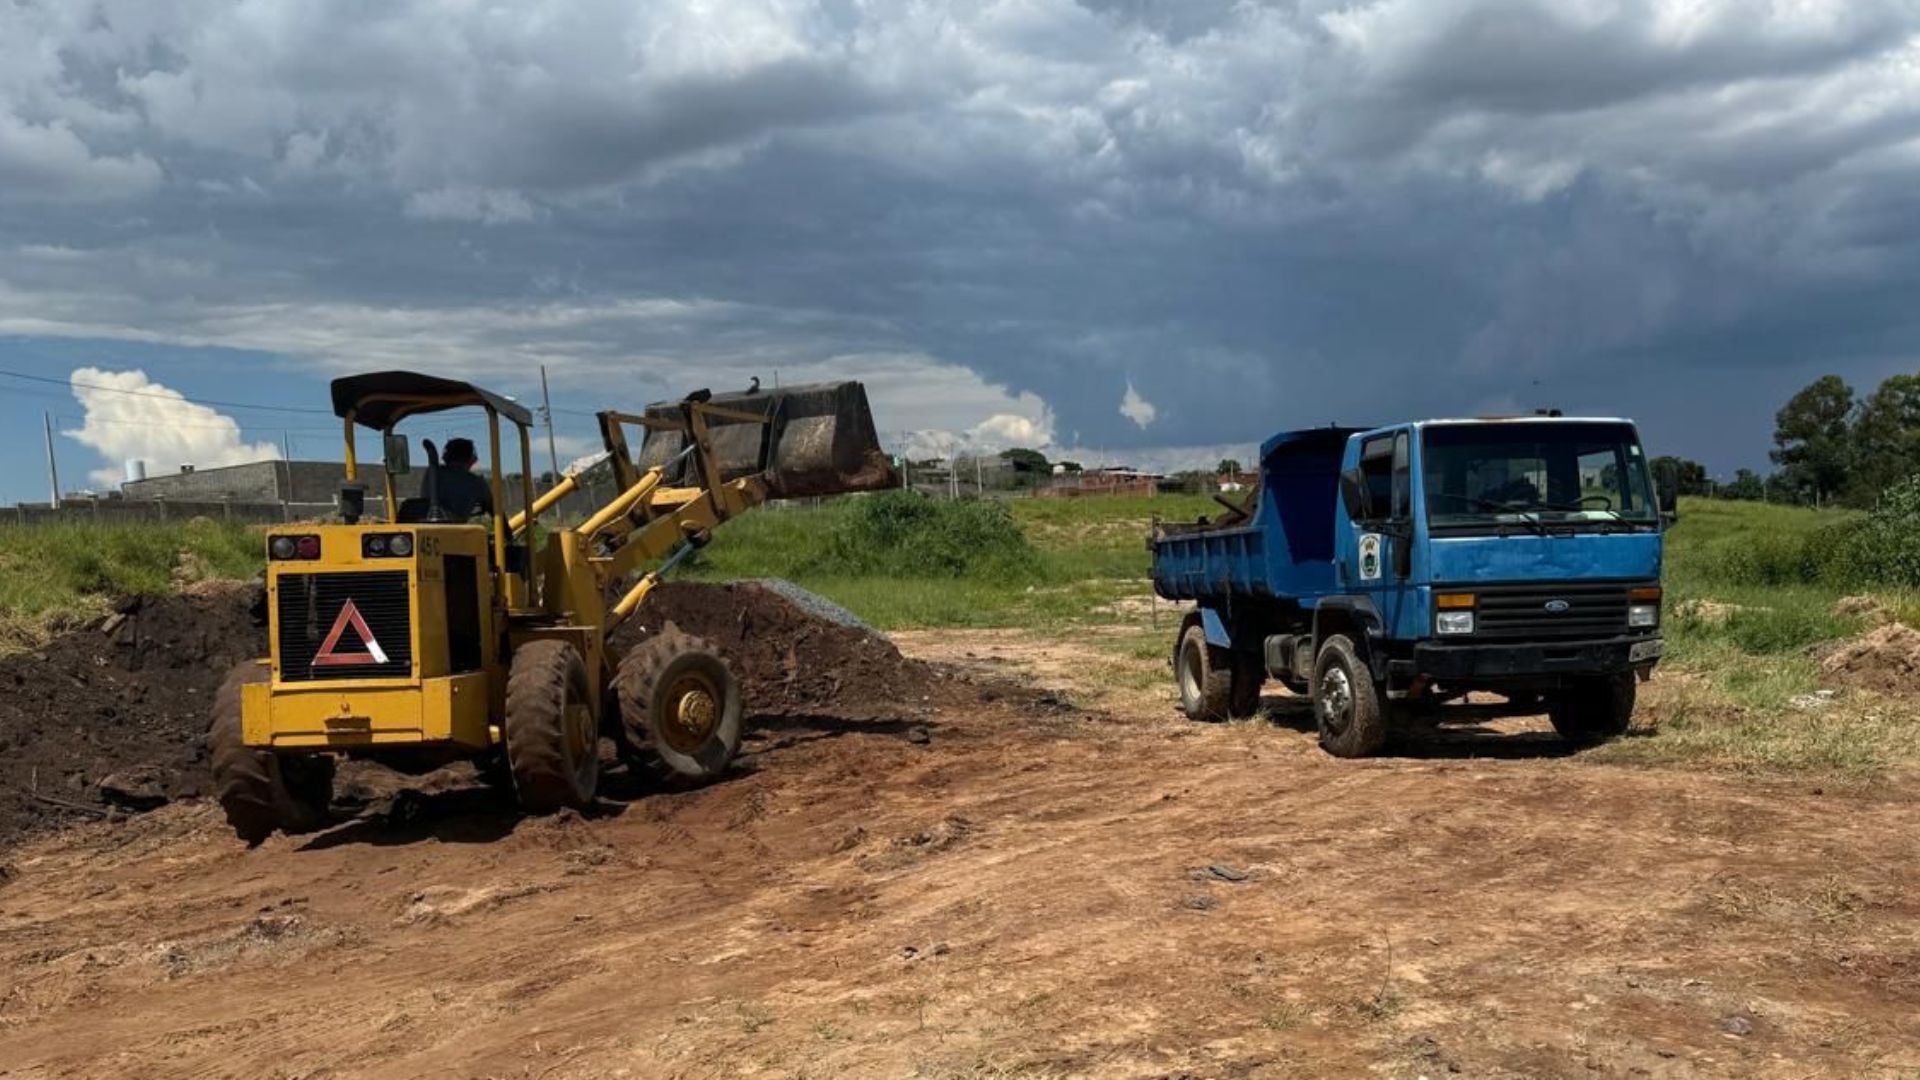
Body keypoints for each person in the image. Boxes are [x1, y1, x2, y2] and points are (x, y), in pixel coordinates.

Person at [425, 437, 494, 519]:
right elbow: (496, 513)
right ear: (471, 459)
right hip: (456, 530)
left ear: (445, 457)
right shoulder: (477, 483)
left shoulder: (431, 474)